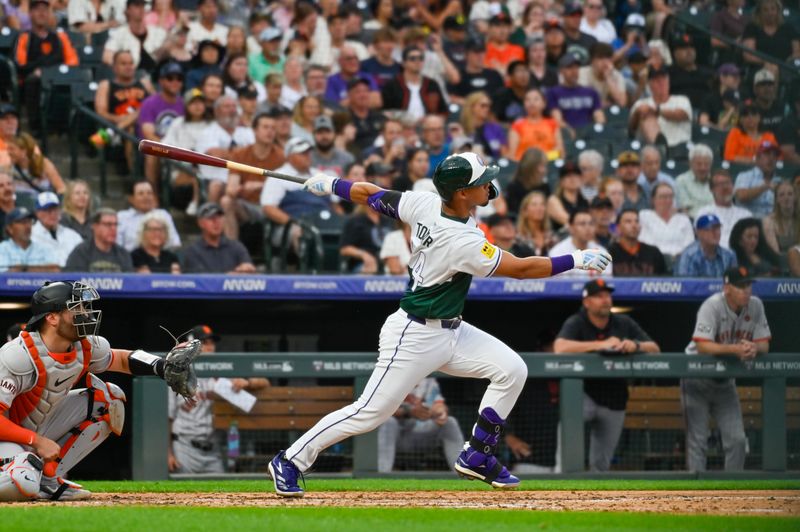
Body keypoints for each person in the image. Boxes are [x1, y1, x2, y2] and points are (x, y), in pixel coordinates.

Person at [268, 152, 612, 497]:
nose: (489, 185)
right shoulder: (461, 240)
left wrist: (331, 185)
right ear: (462, 193)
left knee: (512, 369)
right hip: (414, 335)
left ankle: (478, 453)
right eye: (481, 182)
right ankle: (290, 459)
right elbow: (521, 269)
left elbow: (369, 193)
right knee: (369, 413)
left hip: (452, 330)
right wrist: (575, 259)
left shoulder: (426, 203)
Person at [0, 280, 199, 501]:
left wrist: (161, 366)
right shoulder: (17, 356)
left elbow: (122, 359)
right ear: (52, 317)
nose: (86, 313)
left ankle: (49, 479)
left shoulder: (84, 346)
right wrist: (36, 441)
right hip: (6, 437)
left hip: (34, 429)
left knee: (109, 399)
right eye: (77, 308)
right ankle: (25, 473)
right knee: (23, 484)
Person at [554, 278, 660, 472]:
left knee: (601, 466)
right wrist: (600, 344)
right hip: (584, 395)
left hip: (615, 398)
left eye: (607, 295)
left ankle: (596, 501)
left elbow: (655, 349)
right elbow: (559, 347)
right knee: (565, 460)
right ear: (587, 302)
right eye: (599, 296)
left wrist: (635, 345)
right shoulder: (577, 321)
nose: (605, 300)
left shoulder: (623, 322)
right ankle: (560, 483)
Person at [682, 267, 771, 472]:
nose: (746, 290)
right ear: (727, 288)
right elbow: (703, 346)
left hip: (725, 383)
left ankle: (731, 490)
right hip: (697, 379)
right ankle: (695, 495)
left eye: (748, 285)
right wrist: (736, 349)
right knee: (698, 442)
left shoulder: (756, 306)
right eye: (740, 286)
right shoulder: (712, 305)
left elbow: (764, 344)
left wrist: (753, 347)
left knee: (738, 441)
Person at [168, 324, 268, 474]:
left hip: (213, 449)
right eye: (205, 343)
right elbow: (167, 419)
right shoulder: (178, 375)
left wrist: (247, 383)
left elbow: (265, 382)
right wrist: (168, 454)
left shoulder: (222, 373)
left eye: (212, 343)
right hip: (184, 447)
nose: (210, 347)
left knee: (220, 491)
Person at [13, 0, 79, 135]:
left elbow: (73, 61)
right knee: (33, 79)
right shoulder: (24, 37)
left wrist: (47, 70)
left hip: (58, 78)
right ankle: (35, 126)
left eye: (45, 10)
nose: (41, 13)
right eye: (37, 9)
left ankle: (65, 126)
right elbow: (20, 64)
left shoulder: (60, 36)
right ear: (30, 13)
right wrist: (40, 69)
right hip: (33, 81)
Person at [377, 377, 465, 473]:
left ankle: (462, 473)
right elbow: (379, 410)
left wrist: (441, 412)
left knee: (450, 421)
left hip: (424, 435)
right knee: (389, 421)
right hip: (398, 436)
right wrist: (408, 412)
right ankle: (383, 474)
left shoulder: (429, 381)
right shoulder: (391, 378)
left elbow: (440, 405)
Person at [220, 112, 285, 241]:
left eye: (273, 128)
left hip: (272, 206)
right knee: (226, 201)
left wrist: (261, 185)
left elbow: (285, 186)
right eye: (265, 127)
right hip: (248, 206)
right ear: (255, 130)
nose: (270, 132)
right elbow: (230, 189)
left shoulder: (281, 156)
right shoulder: (240, 154)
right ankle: (233, 249)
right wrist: (240, 188)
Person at [195, 95, 255, 203]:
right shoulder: (208, 132)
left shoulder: (246, 132)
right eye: (227, 107)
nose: (232, 110)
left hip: (244, 178)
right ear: (217, 112)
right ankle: (211, 215)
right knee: (216, 186)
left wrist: (229, 153)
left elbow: (255, 153)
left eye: (234, 106)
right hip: (216, 178)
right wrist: (241, 153)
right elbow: (215, 154)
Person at [138, 62, 185, 189]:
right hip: (158, 147)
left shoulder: (184, 104)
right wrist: (170, 147)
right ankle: (152, 192)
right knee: (152, 151)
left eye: (179, 79)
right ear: (161, 81)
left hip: (180, 146)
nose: (175, 82)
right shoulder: (150, 103)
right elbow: (149, 134)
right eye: (170, 78)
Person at [182, 202, 255, 274]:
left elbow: (249, 271)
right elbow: (200, 281)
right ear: (200, 223)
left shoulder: (236, 247)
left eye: (219, 217)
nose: (216, 222)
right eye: (211, 218)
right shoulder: (193, 252)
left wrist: (247, 269)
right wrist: (228, 277)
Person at [629, 66, 692, 148]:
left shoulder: (681, 100)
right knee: (646, 115)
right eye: (656, 80)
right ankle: (660, 149)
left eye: (664, 78)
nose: (661, 82)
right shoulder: (641, 103)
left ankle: (661, 150)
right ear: (650, 85)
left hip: (681, 148)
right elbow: (631, 129)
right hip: (652, 153)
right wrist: (637, 113)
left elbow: (682, 114)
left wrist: (657, 111)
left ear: (669, 81)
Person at [381, 46, 448, 121]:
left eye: (421, 58)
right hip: (401, 127)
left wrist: (430, 120)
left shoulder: (432, 84)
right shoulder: (392, 85)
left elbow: (443, 111)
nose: (417, 61)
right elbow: (385, 112)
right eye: (412, 58)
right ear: (403, 63)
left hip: (428, 128)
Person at [546, 53, 604, 135]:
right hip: (566, 134)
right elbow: (557, 119)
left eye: (576, 67)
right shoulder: (554, 92)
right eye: (569, 68)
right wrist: (569, 130)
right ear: (561, 71)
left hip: (589, 133)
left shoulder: (590, 92)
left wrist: (598, 129)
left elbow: (599, 115)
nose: (574, 71)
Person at [101, 0, 167, 71]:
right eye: (137, 5)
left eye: (143, 5)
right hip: (130, 77)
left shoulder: (156, 32)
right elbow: (106, 57)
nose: (141, 9)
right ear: (128, 10)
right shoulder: (119, 34)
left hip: (156, 75)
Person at [116, 180, 181, 252]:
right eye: (141, 194)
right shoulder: (121, 217)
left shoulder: (163, 215)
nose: (146, 197)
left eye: (149, 193)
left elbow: (174, 242)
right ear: (131, 199)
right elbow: (117, 246)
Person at [696, 170, 752, 250]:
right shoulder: (704, 213)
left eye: (728, 183)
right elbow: (703, 241)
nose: (725, 187)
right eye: (720, 184)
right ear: (712, 190)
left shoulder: (746, 215)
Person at [548, 209, 613, 277]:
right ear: (571, 227)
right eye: (582, 224)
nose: (588, 228)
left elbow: (607, 281)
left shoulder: (601, 251)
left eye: (591, 224)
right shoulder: (557, 252)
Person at [65, 209, 134, 273]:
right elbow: (72, 281)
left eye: (115, 225)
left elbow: (129, 282)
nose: (113, 228)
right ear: (94, 226)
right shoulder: (80, 253)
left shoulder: (123, 254)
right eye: (108, 224)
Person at [30, 192, 83, 269]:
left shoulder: (72, 235)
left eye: (55, 210)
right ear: (37, 213)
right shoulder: (30, 235)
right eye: (48, 210)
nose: (53, 214)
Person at [508, 88, 563, 162]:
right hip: (524, 166)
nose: (531, 103)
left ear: (544, 103)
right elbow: (512, 155)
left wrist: (544, 158)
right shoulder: (517, 125)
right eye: (528, 100)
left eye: (536, 99)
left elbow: (560, 151)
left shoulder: (552, 124)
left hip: (548, 164)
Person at [609, 209, 667, 276]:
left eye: (637, 221)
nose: (634, 225)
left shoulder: (654, 253)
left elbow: (664, 281)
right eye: (628, 222)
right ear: (618, 227)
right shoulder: (609, 252)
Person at [733, 140, 783, 218]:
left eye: (774, 155)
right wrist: (765, 187)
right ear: (757, 158)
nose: (771, 158)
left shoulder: (780, 181)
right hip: (748, 221)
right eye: (767, 154)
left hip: (772, 224)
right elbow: (741, 196)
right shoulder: (745, 176)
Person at [340, 204, 394, 274]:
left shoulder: (389, 221)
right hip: (362, 263)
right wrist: (364, 255)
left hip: (388, 261)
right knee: (370, 269)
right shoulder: (354, 221)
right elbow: (344, 249)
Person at [0, 207, 58, 272]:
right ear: (10, 228)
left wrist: (23, 269)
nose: (27, 226)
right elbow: (3, 275)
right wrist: (40, 269)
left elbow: (55, 270)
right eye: (23, 222)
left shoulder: (43, 248)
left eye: (29, 222)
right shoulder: (2, 249)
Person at [447, 39, 504, 103]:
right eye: (476, 52)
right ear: (466, 54)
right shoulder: (458, 76)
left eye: (482, 52)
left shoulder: (494, 75)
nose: (480, 56)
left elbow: (502, 97)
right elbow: (452, 98)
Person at [667, 33, 712, 112]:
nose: (689, 51)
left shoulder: (707, 73)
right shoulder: (668, 73)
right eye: (684, 48)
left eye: (691, 47)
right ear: (675, 53)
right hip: (677, 113)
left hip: (703, 115)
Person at [460, 92, 507, 161]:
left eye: (488, 106)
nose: (487, 109)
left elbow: (504, 154)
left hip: (495, 166)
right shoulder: (460, 130)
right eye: (483, 106)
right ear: (471, 107)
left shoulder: (495, 128)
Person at [578, 42, 626, 108]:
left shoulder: (617, 75)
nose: (605, 62)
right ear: (592, 60)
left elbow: (622, 103)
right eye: (600, 58)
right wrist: (602, 104)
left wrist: (608, 78)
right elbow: (582, 100)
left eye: (608, 58)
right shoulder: (581, 73)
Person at [504, 148, 550, 216]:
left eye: (545, 166)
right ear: (530, 167)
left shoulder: (544, 187)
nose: (544, 170)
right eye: (541, 166)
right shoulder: (514, 188)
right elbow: (515, 213)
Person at [547, 162, 590, 233]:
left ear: (581, 179)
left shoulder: (585, 201)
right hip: (561, 238)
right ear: (561, 181)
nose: (572, 179)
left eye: (576, 175)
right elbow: (567, 220)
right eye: (568, 176)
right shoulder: (554, 200)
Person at [675, 144, 715, 219]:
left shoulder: (716, 181)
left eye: (706, 164)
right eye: (699, 164)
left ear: (711, 164)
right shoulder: (681, 181)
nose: (703, 168)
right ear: (690, 163)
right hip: (693, 222)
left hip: (716, 221)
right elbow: (684, 210)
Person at [311, 115, 354, 180]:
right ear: (313, 135)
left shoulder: (347, 158)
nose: (324, 136)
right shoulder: (307, 158)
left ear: (334, 134)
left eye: (328, 132)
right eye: (320, 132)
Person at [761, 181, 799, 254]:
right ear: (777, 199)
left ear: (795, 198)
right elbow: (775, 253)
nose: (786, 198)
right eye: (781, 195)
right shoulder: (769, 221)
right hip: (780, 260)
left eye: (790, 194)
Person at [516, 191, 556, 257]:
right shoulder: (518, 238)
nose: (539, 208)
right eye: (534, 205)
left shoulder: (551, 235)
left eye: (542, 204)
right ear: (525, 211)